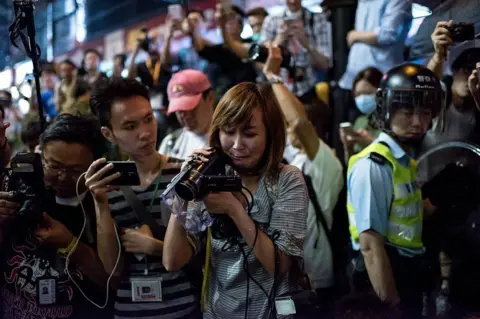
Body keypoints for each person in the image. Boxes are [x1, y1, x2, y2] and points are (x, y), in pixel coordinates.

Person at [163, 81, 308, 318]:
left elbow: (280, 267)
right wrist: (185, 187)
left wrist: (234, 210)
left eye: (249, 134)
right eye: (229, 132)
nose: (237, 145)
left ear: (270, 134)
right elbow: (172, 260)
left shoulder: (286, 180)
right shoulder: (210, 176)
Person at [86, 78, 201, 319]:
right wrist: (100, 204)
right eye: (130, 127)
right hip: (129, 311)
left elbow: (195, 252)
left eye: (148, 119)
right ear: (109, 134)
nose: (145, 133)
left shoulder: (185, 176)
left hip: (184, 310)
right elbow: (111, 268)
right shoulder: (107, 186)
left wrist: (154, 247)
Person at [346, 63, 443, 318]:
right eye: (407, 112)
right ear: (387, 110)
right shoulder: (374, 165)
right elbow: (370, 244)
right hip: (385, 281)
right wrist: (391, 306)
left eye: (424, 113)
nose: (417, 122)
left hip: (407, 273)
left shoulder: (402, 160)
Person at [0, 114, 112, 319]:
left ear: (94, 164)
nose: (62, 177)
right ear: (40, 154)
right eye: (54, 165)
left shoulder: (104, 202)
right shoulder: (15, 187)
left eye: (75, 170)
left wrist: (70, 244)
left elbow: (110, 279)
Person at [264, 44, 343, 316]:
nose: (286, 128)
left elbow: (298, 122)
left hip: (317, 280)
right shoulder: (292, 158)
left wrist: (273, 76)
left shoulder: (325, 161)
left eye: (288, 123)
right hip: (284, 278)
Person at [333, 0, 412, 158]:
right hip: (352, 81)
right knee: (351, 141)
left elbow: (388, 33)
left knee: (387, 141)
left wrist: (355, 35)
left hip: (382, 83)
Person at [258, 0, 331, 98]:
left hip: (308, 89)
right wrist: (279, 40)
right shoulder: (271, 20)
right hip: (279, 89)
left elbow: (325, 65)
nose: (293, 1)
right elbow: (261, 63)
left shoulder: (317, 19)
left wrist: (306, 43)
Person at [189, 5, 257, 99]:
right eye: (226, 19)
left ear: (240, 23)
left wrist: (222, 26)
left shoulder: (250, 44)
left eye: (231, 18)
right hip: (227, 100)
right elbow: (200, 47)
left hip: (250, 97)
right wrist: (193, 30)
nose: (227, 22)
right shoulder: (219, 50)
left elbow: (235, 47)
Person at [158, 70, 214, 159]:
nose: (184, 115)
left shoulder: (231, 143)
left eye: (190, 107)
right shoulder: (171, 143)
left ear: (210, 97)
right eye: (179, 110)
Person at [340, 67, 382, 163]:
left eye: (367, 93)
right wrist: (348, 147)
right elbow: (351, 164)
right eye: (358, 94)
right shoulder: (360, 121)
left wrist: (371, 143)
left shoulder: (392, 121)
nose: (362, 98)